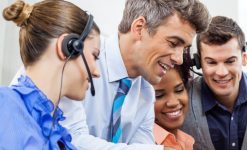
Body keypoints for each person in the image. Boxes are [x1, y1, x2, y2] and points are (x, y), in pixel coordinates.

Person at [59, 0, 211, 149]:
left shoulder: (146, 92)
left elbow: (142, 145)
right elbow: (71, 140)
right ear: (139, 28)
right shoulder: (82, 60)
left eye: (184, 48)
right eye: (173, 43)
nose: (179, 59)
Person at [0, 0, 100, 149]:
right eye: (94, 55)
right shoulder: (5, 107)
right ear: (68, 46)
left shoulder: (60, 138)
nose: (97, 72)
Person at [181, 16, 247, 150]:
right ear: (199, 63)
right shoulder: (184, 98)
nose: (221, 72)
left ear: (244, 58)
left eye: (230, 61)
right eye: (211, 62)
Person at [153, 59, 194, 150]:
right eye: (158, 95)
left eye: (179, 90)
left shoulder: (185, 140)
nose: (173, 102)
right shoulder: (144, 144)